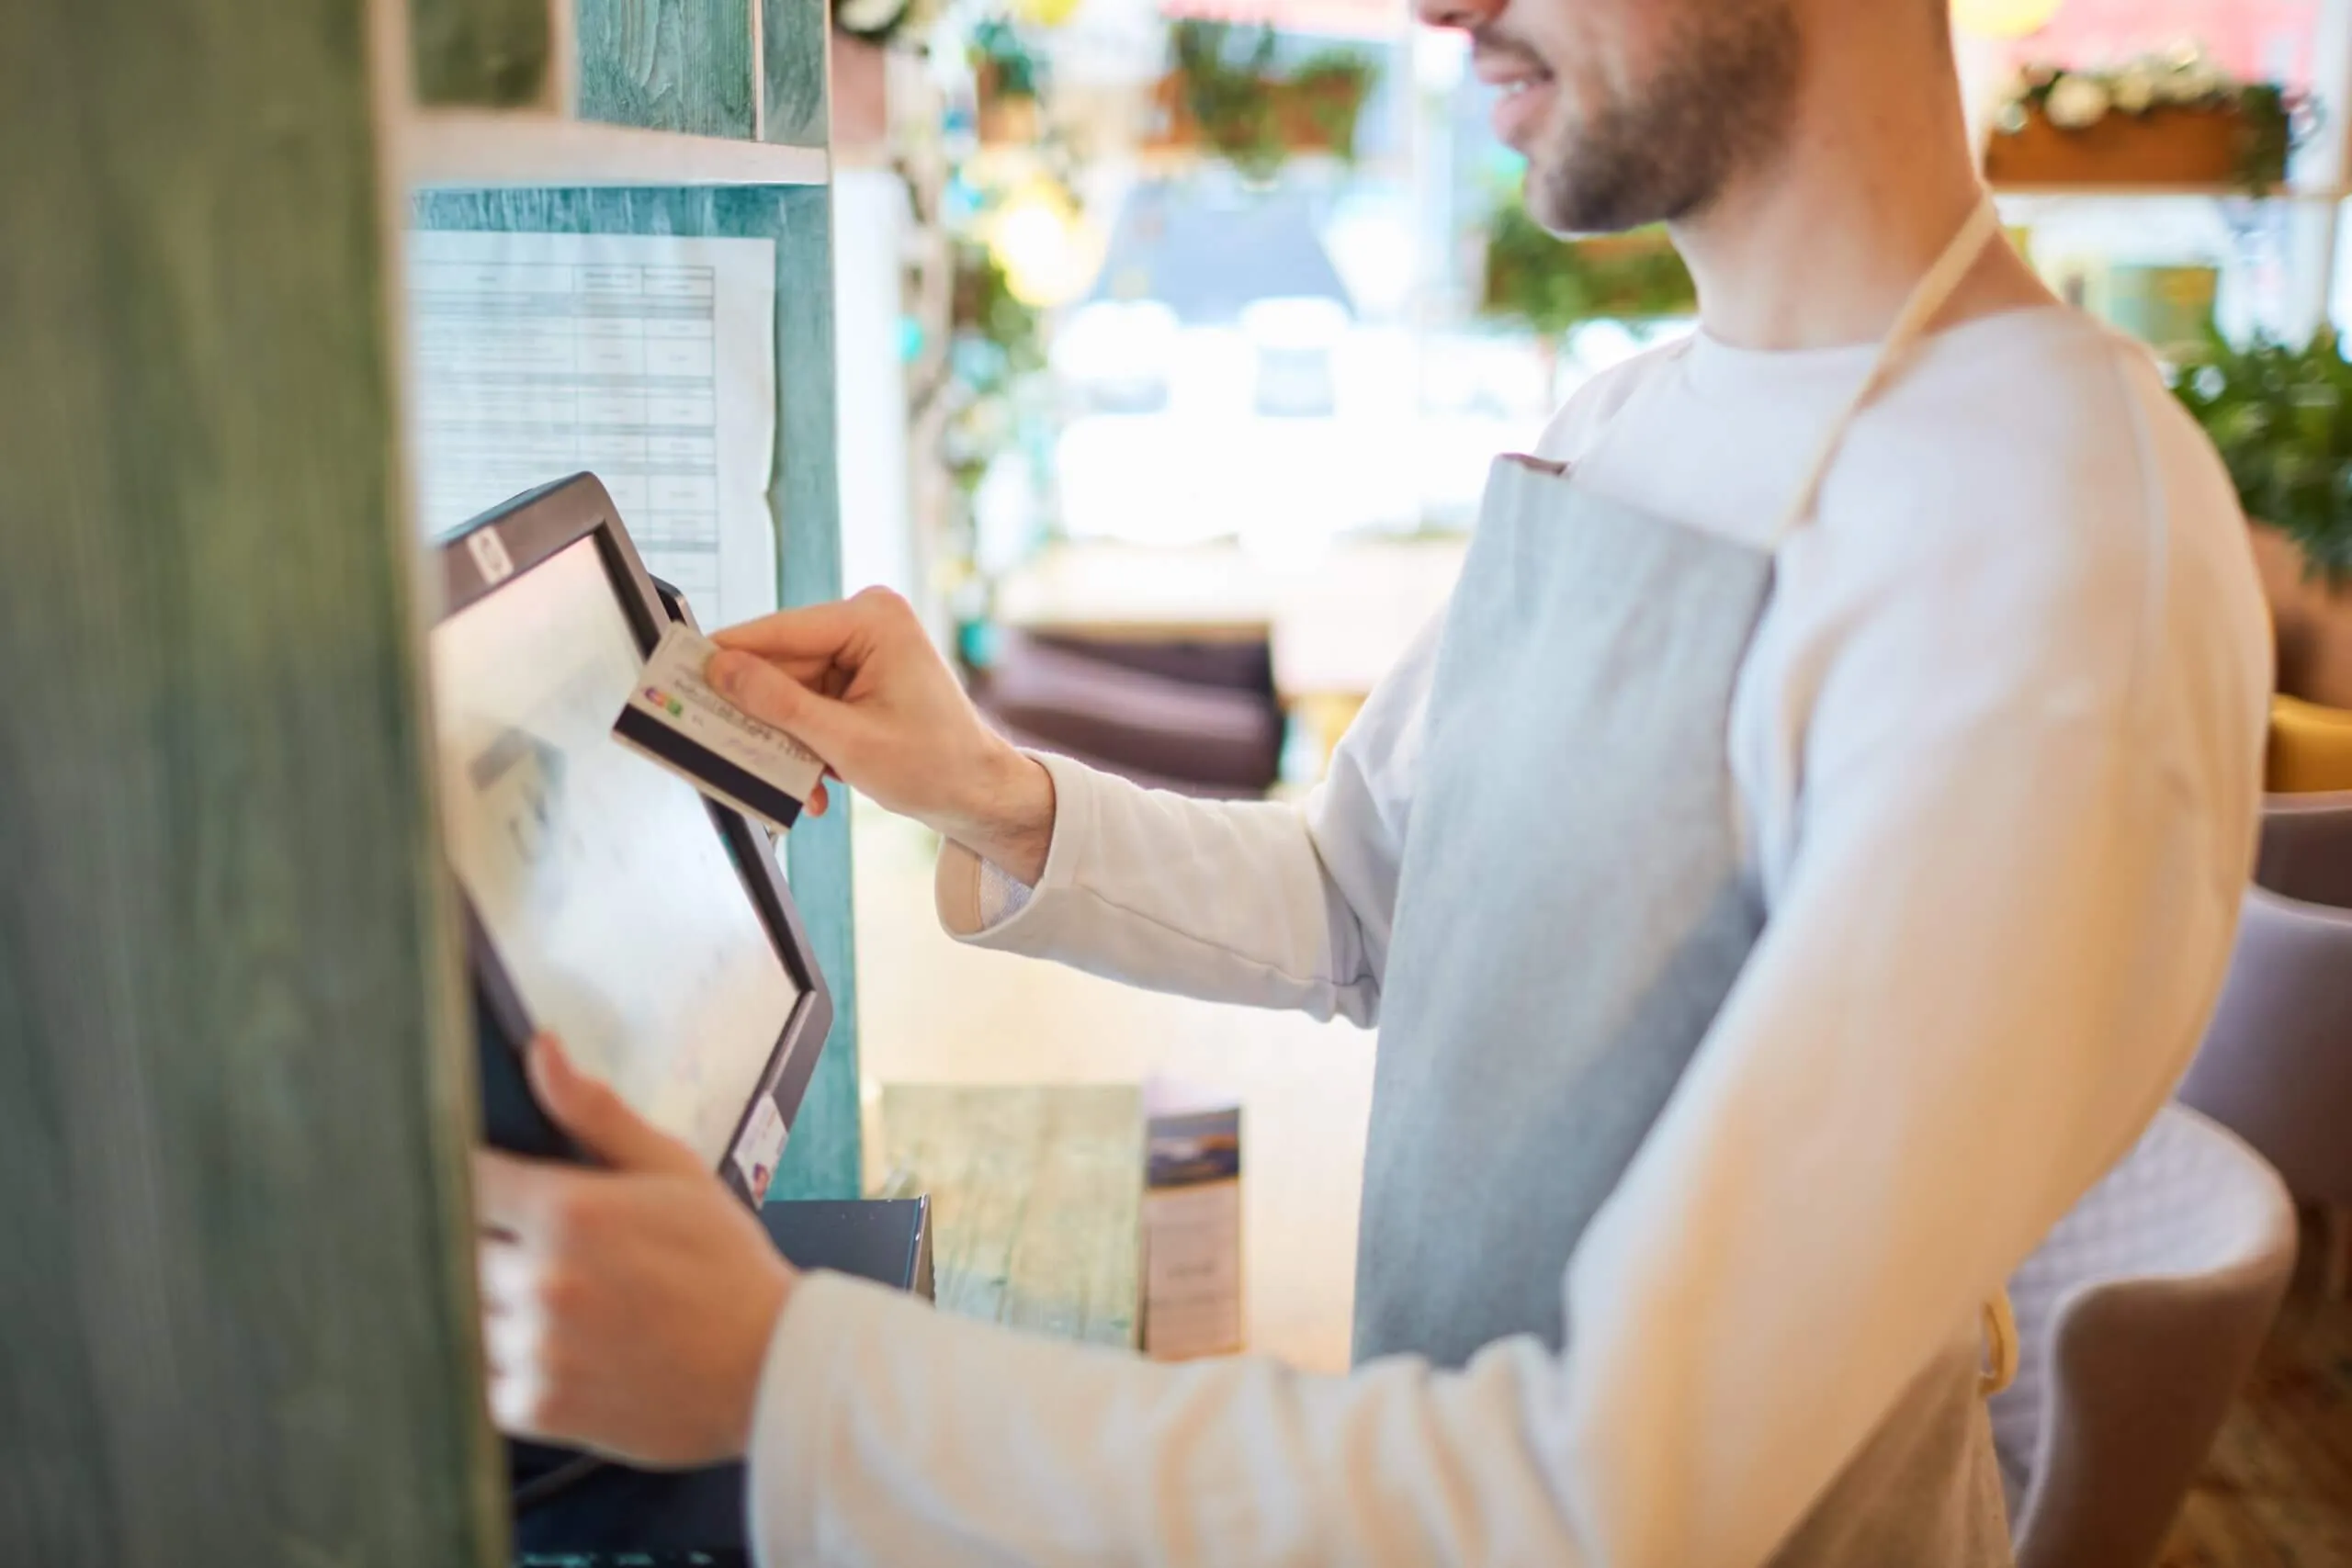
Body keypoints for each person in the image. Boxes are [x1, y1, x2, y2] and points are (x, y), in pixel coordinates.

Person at [470, 0, 2274, 1561]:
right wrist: (991, 788)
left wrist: (788, 1377)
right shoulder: (1624, 423)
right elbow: (1363, 906)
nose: (1435, 9)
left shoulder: (2041, 537)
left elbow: (1604, 1505)